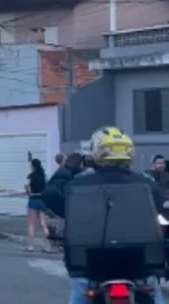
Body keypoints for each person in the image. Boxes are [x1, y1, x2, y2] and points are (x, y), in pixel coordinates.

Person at [40, 127, 165, 304]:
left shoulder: (79, 185)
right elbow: (162, 209)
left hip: (92, 267)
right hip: (140, 267)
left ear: (96, 153)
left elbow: (50, 196)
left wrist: (68, 167)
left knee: (80, 292)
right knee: (153, 291)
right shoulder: (146, 184)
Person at [25, 158, 51, 252]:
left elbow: (27, 185)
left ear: (33, 166)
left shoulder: (30, 176)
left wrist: (29, 193)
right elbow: (48, 185)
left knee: (31, 224)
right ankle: (47, 246)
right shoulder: (44, 175)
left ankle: (31, 246)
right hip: (42, 200)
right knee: (43, 224)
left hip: (33, 200)